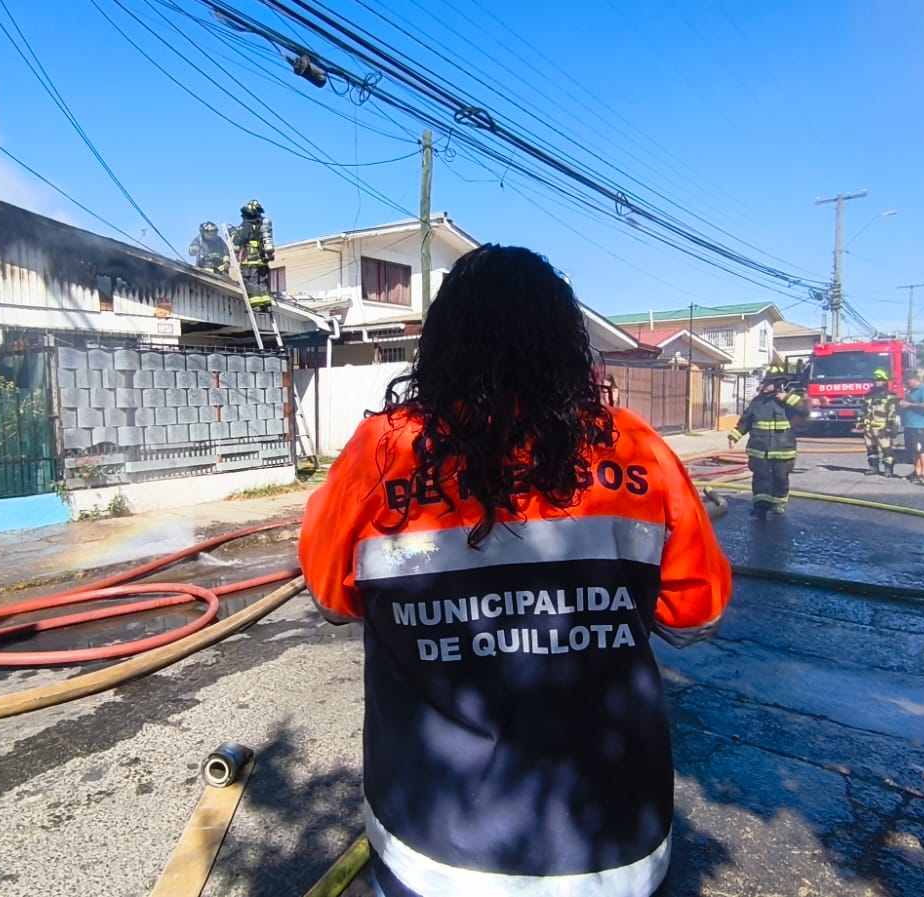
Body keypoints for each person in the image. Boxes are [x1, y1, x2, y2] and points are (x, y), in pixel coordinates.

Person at [298, 245, 733, 897]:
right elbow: (697, 614)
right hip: (613, 850)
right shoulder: (638, 453)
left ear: (442, 345)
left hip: (434, 852)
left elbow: (333, 598)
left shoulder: (380, 455)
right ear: (565, 345)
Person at [728, 366, 810, 516]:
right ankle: (760, 505)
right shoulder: (757, 402)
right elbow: (745, 422)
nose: (763, 386)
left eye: (767, 383)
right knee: (760, 478)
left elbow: (805, 411)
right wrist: (734, 436)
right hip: (759, 450)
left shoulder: (790, 399)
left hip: (783, 450)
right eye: (764, 382)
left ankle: (778, 503)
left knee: (780, 478)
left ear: (778, 384)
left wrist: (787, 398)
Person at [233, 199, 275, 309]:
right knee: (262, 281)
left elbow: (239, 241)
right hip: (261, 259)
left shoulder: (246, 226)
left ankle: (256, 304)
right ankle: (266, 304)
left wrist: (233, 235)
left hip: (251, 259)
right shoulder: (261, 226)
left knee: (252, 281)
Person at [861, 369, 900, 477]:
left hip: (882, 428)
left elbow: (894, 412)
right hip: (868, 428)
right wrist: (860, 420)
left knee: (887, 450)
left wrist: (891, 427)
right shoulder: (869, 395)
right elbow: (863, 409)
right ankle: (873, 468)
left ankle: (888, 470)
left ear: (885, 381)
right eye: (875, 380)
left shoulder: (890, 395)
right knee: (871, 449)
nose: (877, 382)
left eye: (880, 380)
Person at [899, 373, 924, 484]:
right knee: (913, 450)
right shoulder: (910, 390)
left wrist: (909, 405)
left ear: (915, 380)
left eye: (908, 383)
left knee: (922, 450)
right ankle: (917, 472)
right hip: (910, 424)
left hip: (921, 425)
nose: (907, 385)